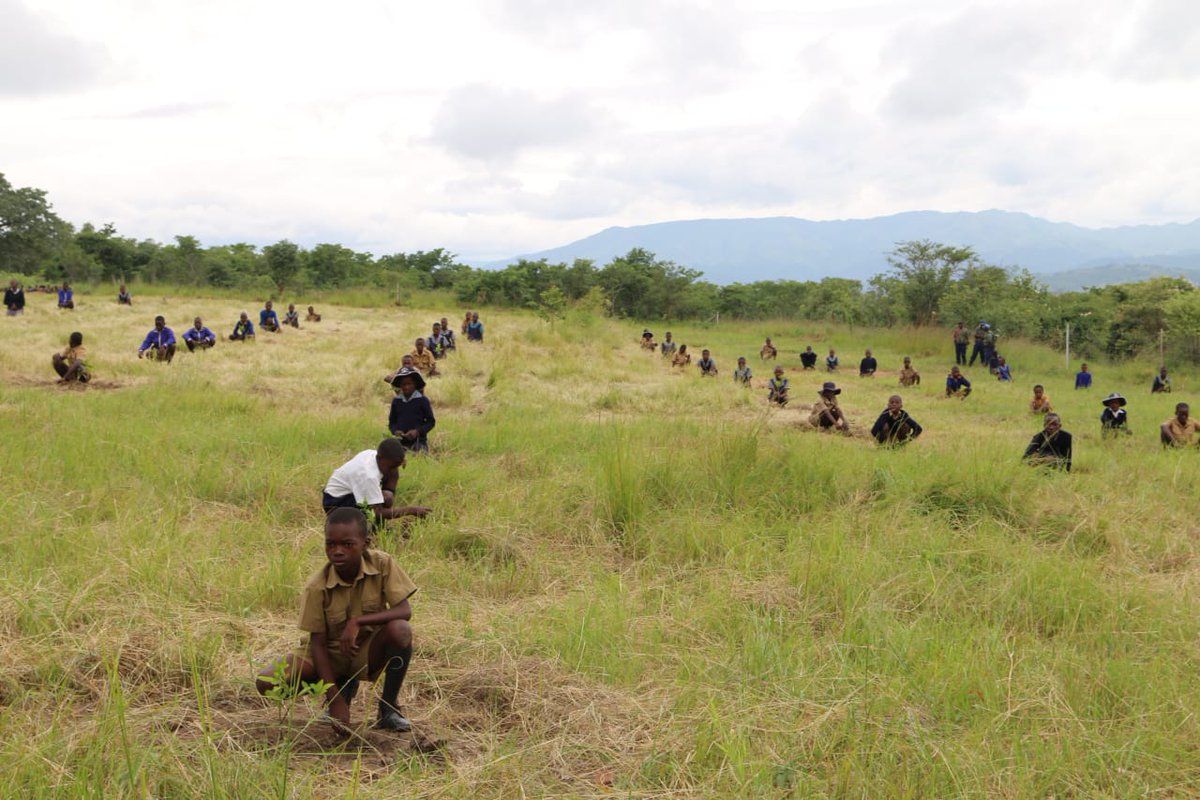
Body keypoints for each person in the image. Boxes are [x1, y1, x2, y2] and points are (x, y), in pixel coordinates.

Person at [255, 507, 418, 733]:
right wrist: (335, 702)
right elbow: (318, 644)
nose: (337, 551)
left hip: (365, 650)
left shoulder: (382, 564)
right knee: (267, 681)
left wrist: (357, 622)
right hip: (328, 654)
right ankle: (341, 689)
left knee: (400, 630)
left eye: (347, 544)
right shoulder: (316, 586)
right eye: (330, 544)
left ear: (366, 543)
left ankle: (388, 709)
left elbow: (404, 611)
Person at [321, 438, 432, 526]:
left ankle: (378, 527)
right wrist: (410, 510)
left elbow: (393, 471)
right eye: (391, 467)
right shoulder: (368, 475)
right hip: (336, 502)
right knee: (363, 524)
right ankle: (372, 530)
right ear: (379, 458)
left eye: (397, 466)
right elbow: (377, 512)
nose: (393, 471)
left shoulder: (377, 456)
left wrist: (388, 493)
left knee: (386, 499)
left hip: (350, 493)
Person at [388, 367, 436, 453]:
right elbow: (392, 422)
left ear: (415, 384)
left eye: (409, 384)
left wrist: (417, 431)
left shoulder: (422, 400)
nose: (406, 387)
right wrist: (395, 431)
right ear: (400, 386)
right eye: (403, 384)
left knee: (419, 454)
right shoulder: (396, 401)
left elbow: (431, 422)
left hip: (419, 441)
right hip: (400, 441)